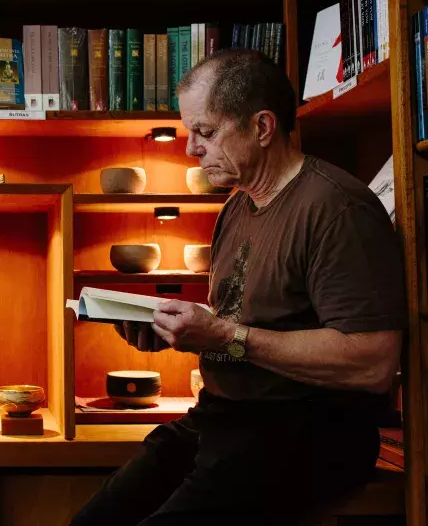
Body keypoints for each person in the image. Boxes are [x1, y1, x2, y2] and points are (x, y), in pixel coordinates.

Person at [71, 50, 405, 526]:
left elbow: (373, 362)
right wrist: (173, 331)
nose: (191, 149)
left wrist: (225, 336)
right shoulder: (237, 206)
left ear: (263, 127)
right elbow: (239, 324)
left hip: (308, 433)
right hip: (222, 418)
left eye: (205, 132)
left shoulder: (337, 209)